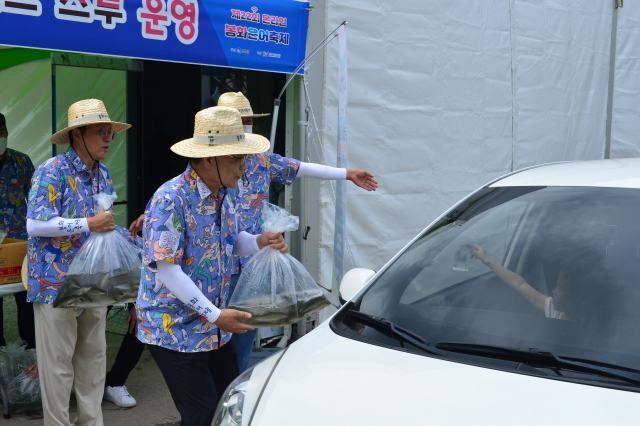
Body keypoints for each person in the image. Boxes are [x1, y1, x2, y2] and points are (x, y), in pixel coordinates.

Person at [136, 106, 289, 426]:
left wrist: (261, 240)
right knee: (202, 413)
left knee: (230, 406)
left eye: (244, 158)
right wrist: (216, 314)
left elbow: (235, 240)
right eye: (237, 158)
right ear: (209, 158)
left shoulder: (225, 195)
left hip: (213, 323)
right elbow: (167, 270)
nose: (244, 167)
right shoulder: (171, 198)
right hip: (173, 327)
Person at [218, 91, 378, 372]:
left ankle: (236, 391)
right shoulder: (208, 162)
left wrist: (347, 173)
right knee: (215, 340)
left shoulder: (261, 159)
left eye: (249, 120)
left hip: (253, 260)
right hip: (217, 264)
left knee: (244, 335)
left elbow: (302, 168)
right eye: (240, 120)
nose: (247, 125)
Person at [26, 99, 130, 426]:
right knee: (58, 366)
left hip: (94, 279)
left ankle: (91, 422)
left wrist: (136, 234)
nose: (107, 138)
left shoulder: (104, 174)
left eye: (110, 133)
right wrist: (87, 224)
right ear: (77, 135)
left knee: (93, 358)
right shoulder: (50, 171)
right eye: (101, 132)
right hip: (55, 284)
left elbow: (105, 224)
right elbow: (34, 224)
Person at [471, 245, 609, 321]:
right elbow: (519, 284)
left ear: (578, 297)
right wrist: (487, 261)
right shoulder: (555, 311)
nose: (553, 292)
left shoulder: (590, 325)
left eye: (560, 289)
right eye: (556, 286)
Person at [0, 112, 36, 349]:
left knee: (26, 301)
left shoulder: (22, 162)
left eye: (0, 132)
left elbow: (35, 202)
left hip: (20, 243)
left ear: (6, 132)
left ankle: (30, 351)